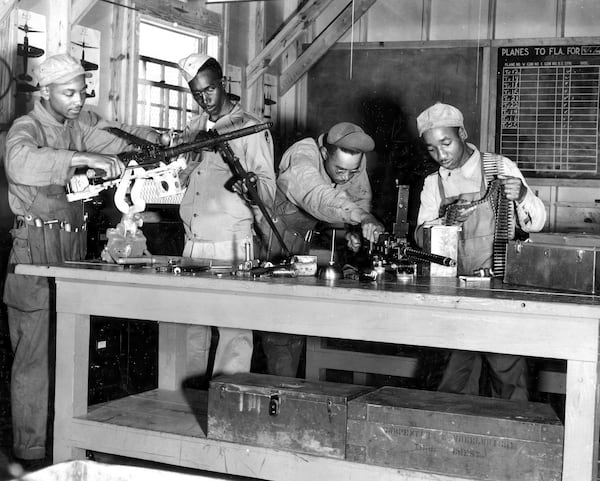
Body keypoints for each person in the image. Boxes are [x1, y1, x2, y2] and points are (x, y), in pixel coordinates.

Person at [3, 53, 160, 468]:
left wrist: (161, 141)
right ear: (45, 91)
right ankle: (33, 455)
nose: (77, 100)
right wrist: (79, 159)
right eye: (68, 93)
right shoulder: (27, 127)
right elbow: (19, 161)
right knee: (35, 360)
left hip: (70, 251)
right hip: (34, 251)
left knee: (71, 350)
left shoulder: (79, 125)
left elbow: (117, 138)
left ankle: (66, 443)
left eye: (82, 91)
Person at [414, 102, 546, 400]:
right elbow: (421, 239)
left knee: (508, 376)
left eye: (446, 143)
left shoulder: (499, 167)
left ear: (462, 133)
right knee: (454, 380)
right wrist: (445, 222)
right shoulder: (433, 184)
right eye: (432, 149)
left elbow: (536, 222)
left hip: (500, 289)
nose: (441, 154)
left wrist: (523, 195)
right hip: (455, 293)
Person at [177, 53, 276, 381]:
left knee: (233, 332)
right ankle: (187, 402)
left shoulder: (249, 127)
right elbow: (183, 177)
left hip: (231, 243)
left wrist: (249, 186)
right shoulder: (194, 127)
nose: (203, 99)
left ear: (223, 84)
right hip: (194, 243)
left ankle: (228, 408)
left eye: (208, 90)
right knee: (192, 329)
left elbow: (268, 191)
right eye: (196, 94)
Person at [261, 122, 385, 377]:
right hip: (269, 238)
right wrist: (359, 217)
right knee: (279, 329)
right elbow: (316, 196)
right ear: (325, 153)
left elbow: (359, 195)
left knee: (294, 324)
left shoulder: (351, 161)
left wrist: (355, 229)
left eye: (352, 171)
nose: (346, 176)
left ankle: (290, 389)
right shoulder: (304, 154)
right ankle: (280, 394)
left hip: (300, 240)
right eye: (340, 170)